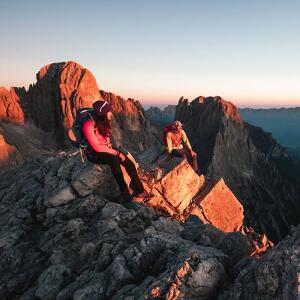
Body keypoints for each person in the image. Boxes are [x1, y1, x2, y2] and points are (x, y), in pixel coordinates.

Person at [83, 100, 151, 202]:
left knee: (128, 162)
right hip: (93, 153)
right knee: (114, 160)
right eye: (108, 111)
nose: (111, 113)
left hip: (105, 148)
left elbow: (106, 140)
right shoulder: (88, 125)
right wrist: (116, 153)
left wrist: (115, 150)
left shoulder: (104, 122)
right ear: (102, 114)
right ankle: (125, 192)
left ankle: (140, 190)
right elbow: (97, 147)